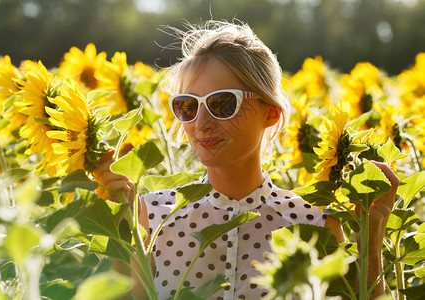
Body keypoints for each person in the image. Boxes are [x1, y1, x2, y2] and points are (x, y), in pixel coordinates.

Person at [94, 20, 399, 300]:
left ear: (271, 112)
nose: (201, 122)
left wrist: (370, 239)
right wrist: (122, 230)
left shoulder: (314, 223)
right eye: (187, 106)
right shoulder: (151, 217)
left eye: (222, 103)